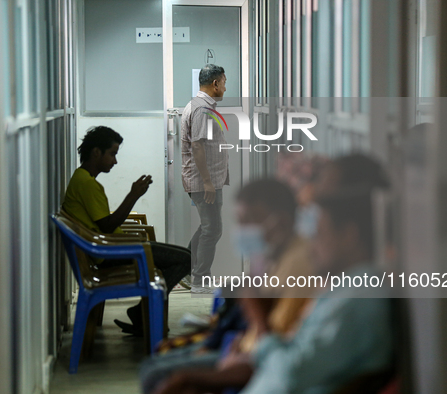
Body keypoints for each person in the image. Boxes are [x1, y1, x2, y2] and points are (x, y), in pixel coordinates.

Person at [154, 153, 397, 394]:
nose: (311, 244)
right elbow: (290, 351)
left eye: (319, 233)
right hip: (253, 364)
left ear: (350, 234)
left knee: (159, 374)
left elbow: (289, 370)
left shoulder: (356, 296)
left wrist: (257, 317)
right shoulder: (343, 287)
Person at [147, 178, 313, 394]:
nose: (241, 230)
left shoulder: (297, 263)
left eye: (248, 221)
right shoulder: (273, 254)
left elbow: (274, 340)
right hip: (244, 347)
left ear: (279, 221)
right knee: (158, 362)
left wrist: (251, 315)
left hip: (254, 360)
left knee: (156, 373)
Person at [62, 125, 191, 335]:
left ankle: (142, 312)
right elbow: (107, 225)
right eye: (112, 154)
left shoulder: (82, 180)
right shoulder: (87, 184)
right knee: (186, 259)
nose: (115, 160)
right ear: (96, 152)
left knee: (185, 257)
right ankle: (143, 312)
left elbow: (103, 225)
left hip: (115, 249)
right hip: (112, 253)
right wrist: (133, 195)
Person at [181, 64, 229, 293]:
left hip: (207, 180)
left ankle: (186, 270)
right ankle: (200, 280)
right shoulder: (202, 109)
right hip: (204, 182)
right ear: (215, 84)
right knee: (213, 229)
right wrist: (208, 182)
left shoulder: (200, 105)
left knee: (208, 227)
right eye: (224, 82)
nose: (225, 88)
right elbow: (197, 146)